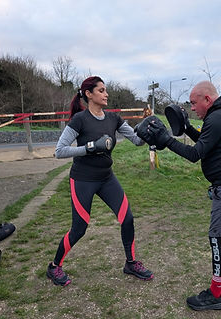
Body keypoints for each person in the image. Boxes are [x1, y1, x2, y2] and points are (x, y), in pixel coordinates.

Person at [137, 81, 221, 310]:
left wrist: (167, 140)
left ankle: (215, 295)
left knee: (217, 236)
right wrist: (187, 129)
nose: (192, 109)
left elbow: (195, 154)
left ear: (207, 100)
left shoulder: (216, 118)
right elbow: (207, 144)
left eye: (194, 103)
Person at [46, 76, 153, 286]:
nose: (106, 94)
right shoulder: (79, 119)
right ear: (89, 94)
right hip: (83, 180)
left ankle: (130, 263)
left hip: (106, 178)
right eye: (102, 90)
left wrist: (150, 129)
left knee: (128, 218)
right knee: (80, 227)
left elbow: (137, 141)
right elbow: (59, 151)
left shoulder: (113, 119)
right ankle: (54, 266)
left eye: (106, 90)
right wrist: (89, 147)